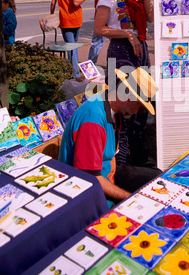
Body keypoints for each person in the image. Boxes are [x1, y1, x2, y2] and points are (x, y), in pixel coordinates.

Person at [58, 67, 161, 205]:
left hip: (106, 173)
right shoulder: (93, 119)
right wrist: (130, 199)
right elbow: (90, 178)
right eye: (141, 108)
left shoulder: (111, 108)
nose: (138, 112)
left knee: (157, 177)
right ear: (130, 98)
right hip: (86, 189)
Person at [94, 0, 154, 167]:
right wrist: (127, 34)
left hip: (140, 49)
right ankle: (119, 159)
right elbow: (100, 29)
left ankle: (137, 152)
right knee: (123, 104)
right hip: (121, 51)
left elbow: (149, 18)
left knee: (143, 100)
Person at [50, 0, 95, 77]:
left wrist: (51, 14)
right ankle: (75, 74)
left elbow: (53, 2)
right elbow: (76, 2)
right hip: (75, 18)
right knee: (73, 47)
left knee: (71, 46)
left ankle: (73, 71)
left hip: (65, 19)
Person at [87, 0, 111, 64]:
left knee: (96, 43)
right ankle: (91, 65)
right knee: (97, 43)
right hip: (101, 17)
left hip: (105, 19)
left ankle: (90, 65)